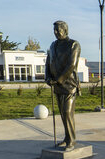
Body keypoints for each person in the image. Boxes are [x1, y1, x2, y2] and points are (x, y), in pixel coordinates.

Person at [45, 20, 81, 151]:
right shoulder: (53, 45)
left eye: (58, 30)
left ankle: (72, 140)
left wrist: (59, 79)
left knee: (67, 112)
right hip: (56, 86)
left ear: (65, 30)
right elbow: (48, 62)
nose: (55, 33)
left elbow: (71, 65)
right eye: (54, 30)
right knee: (62, 113)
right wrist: (47, 77)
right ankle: (67, 138)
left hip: (69, 85)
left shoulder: (73, 45)